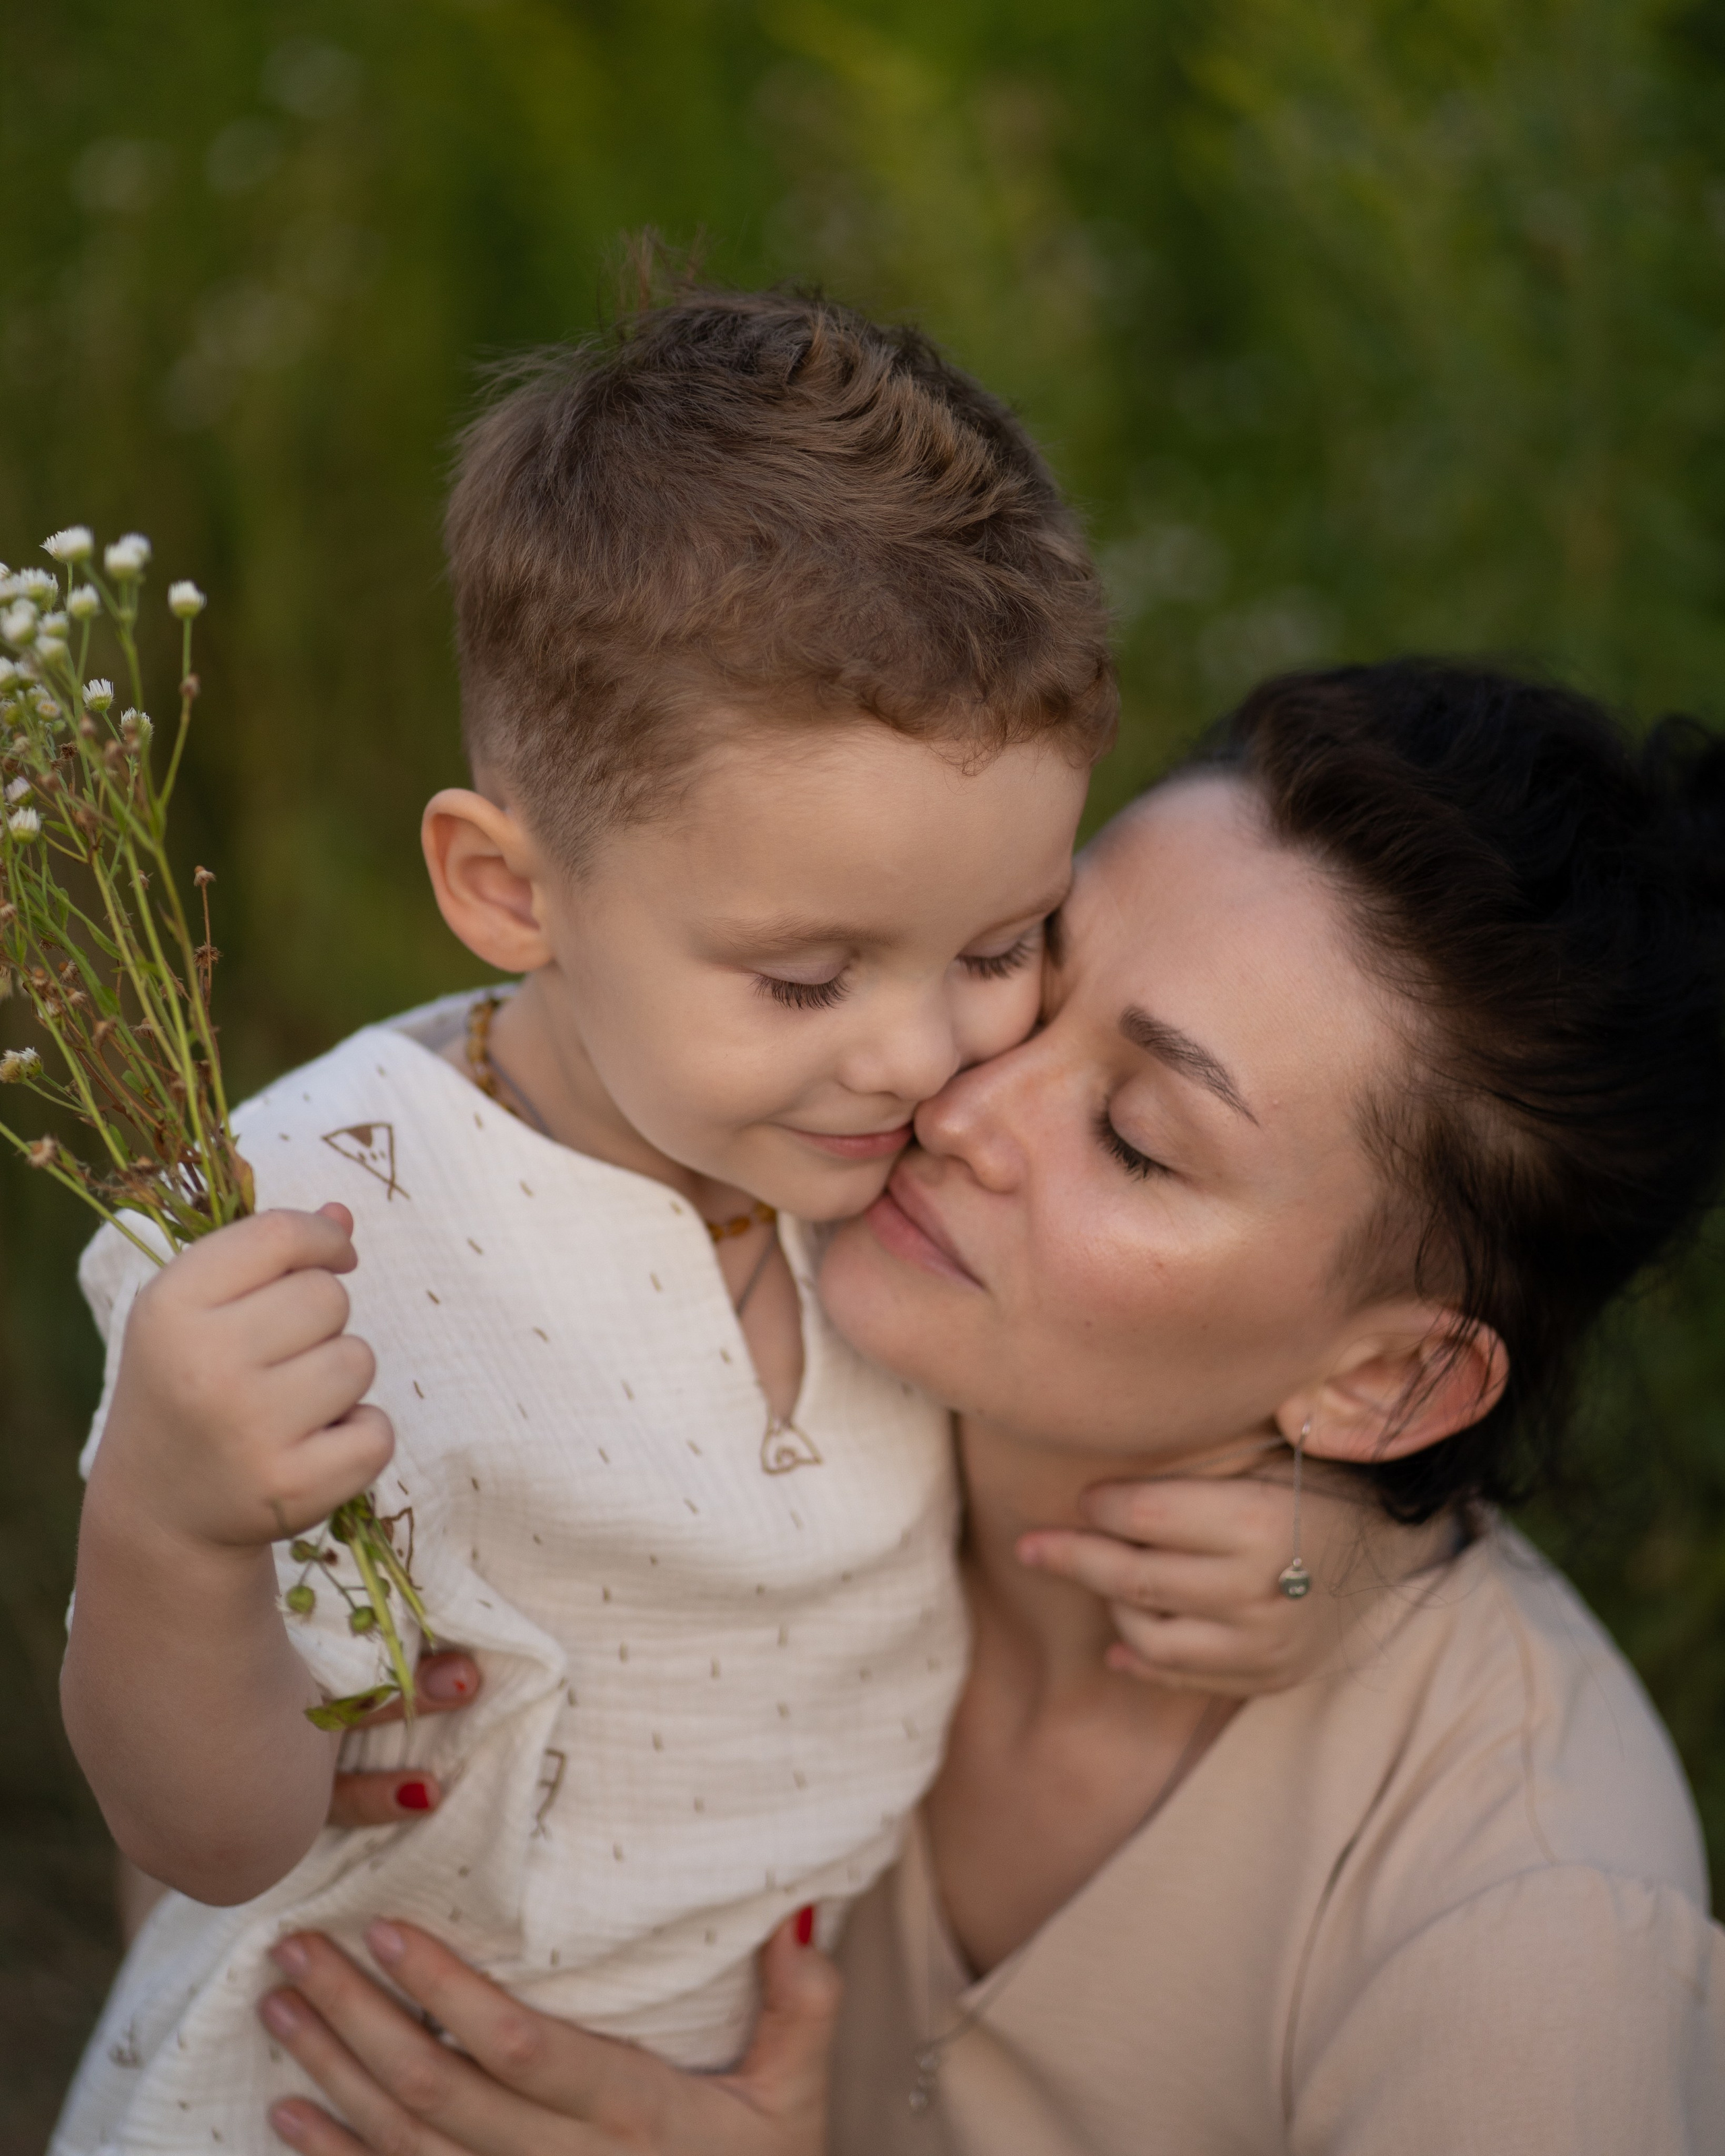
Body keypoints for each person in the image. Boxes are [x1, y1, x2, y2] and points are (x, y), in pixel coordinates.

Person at [53, 288, 1321, 2155]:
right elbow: (208, 1837)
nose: (920, 1056)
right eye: (804, 977)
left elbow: (1190, 1373)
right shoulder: (317, 1227)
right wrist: (171, 1527)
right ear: (509, 889)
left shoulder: (935, 1159)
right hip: (336, 2098)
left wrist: (1320, 1550)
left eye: (998, 944)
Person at [253, 661, 1725, 2155]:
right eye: (1017, 964)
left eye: (1137, 1140)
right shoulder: (747, 1293)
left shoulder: (1532, 1936)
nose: (951, 1104)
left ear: (1383, 1382)